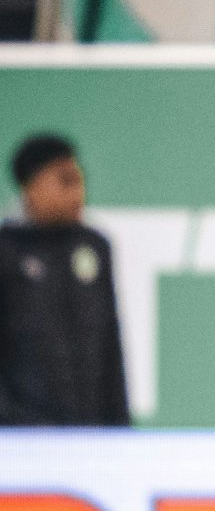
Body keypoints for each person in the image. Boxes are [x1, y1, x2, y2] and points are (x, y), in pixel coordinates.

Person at [0, 134, 130, 427]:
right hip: (21, 438)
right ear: (31, 187)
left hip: (91, 433)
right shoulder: (6, 252)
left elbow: (110, 349)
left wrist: (120, 429)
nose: (78, 192)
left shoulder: (94, 247)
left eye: (79, 180)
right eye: (65, 181)